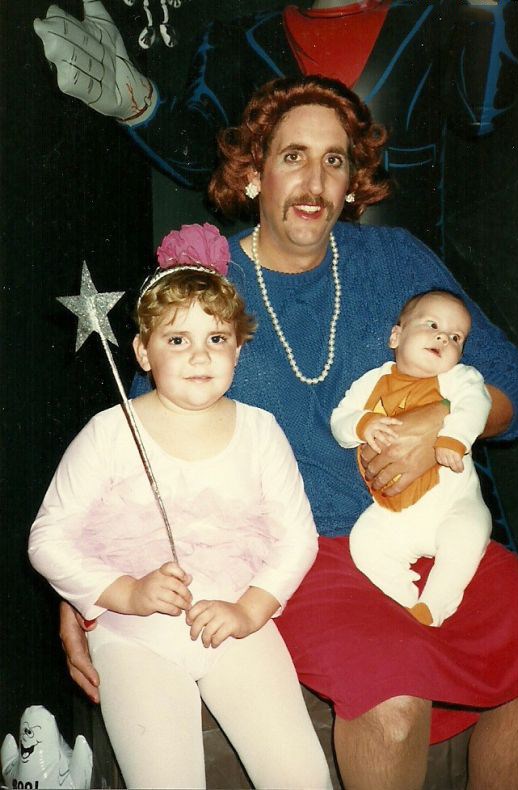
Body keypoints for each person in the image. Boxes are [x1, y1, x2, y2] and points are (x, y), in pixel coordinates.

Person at [60, 77, 518, 789]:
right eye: (293, 156)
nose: (314, 181)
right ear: (254, 171)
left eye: (335, 160)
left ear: (353, 183)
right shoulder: (209, 280)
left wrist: (437, 422)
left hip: (428, 525)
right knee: (391, 702)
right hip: (298, 556)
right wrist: (84, 593)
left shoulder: (395, 263)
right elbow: (136, 451)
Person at [29, 224, 332, 790]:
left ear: (239, 348)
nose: (199, 355)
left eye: (216, 338)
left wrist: (250, 610)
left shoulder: (261, 431)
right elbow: (48, 538)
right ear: (142, 351)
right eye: (176, 339)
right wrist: (126, 592)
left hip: (234, 623)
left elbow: (298, 538)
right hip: (133, 636)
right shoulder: (110, 431)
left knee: (300, 775)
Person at [34, 0, 518, 253]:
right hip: (284, 288)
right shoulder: (237, 38)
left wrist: (484, 6)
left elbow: (480, 111)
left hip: (404, 300)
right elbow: (206, 157)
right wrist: (137, 103)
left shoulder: (435, 20)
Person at [331, 290, 492, 627]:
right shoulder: (372, 381)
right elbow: (340, 420)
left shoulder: (458, 379)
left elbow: (476, 403)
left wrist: (454, 437)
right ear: (396, 336)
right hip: (397, 511)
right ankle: (404, 600)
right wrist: (362, 423)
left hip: (453, 503)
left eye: (455, 337)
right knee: (365, 541)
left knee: (466, 535)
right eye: (432, 325)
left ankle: (434, 606)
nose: (443, 338)